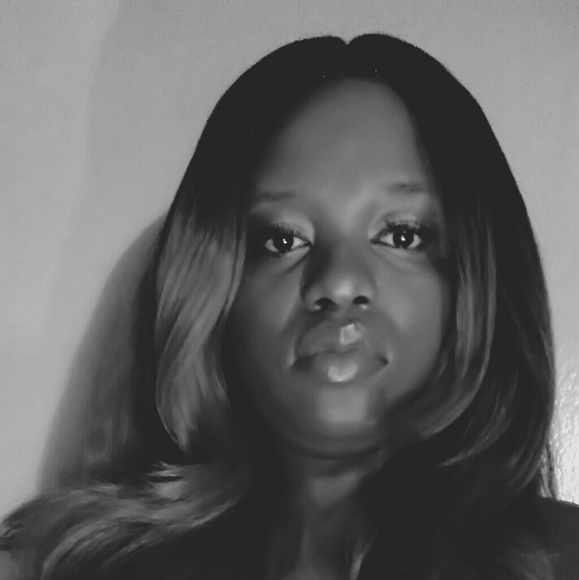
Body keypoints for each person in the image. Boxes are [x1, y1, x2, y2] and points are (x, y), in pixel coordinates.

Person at [1, 33, 578, 580]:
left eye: (401, 235)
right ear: (215, 295)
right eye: (282, 240)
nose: (340, 281)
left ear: (477, 278)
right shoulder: (57, 566)